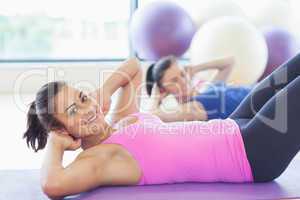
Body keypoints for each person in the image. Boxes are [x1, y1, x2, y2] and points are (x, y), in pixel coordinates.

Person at [23, 55, 300, 200]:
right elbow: (53, 184)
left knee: (295, 66)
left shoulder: (121, 121)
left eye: (82, 98)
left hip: (235, 126)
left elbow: (133, 66)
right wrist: (56, 144)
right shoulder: (101, 158)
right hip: (252, 153)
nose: (87, 108)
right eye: (73, 111)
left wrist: (104, 91)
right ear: (62, 130)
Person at [146, 55, 252, 122]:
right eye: (174, 80)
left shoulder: (208, 91)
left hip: (260, 92)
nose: (183, 81)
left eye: (182, 74)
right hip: (263, 103)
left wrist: (196, 68)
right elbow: (149, 118)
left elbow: (229, 62)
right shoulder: (193, 108)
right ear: (163, 90)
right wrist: (155, 97)